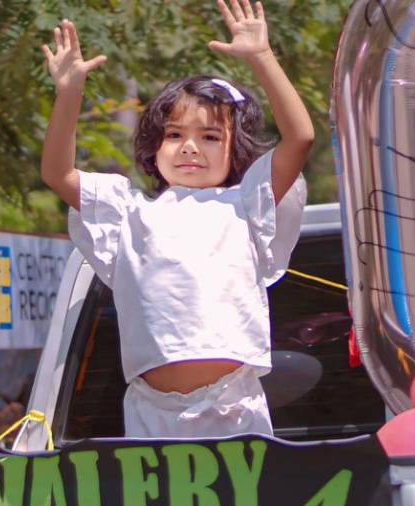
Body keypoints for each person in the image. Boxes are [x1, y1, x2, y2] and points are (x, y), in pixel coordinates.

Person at [40, 0, 313, 438]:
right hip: (152, 412)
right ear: (155, 145)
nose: (190, 147)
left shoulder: (246, 204)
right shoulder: (128, 210)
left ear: (236, 149)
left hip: (232, 408)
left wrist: (261, 57)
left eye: (210, 136)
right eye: (174, 134)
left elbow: (300, 138)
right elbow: (58, 174)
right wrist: (70, 92)